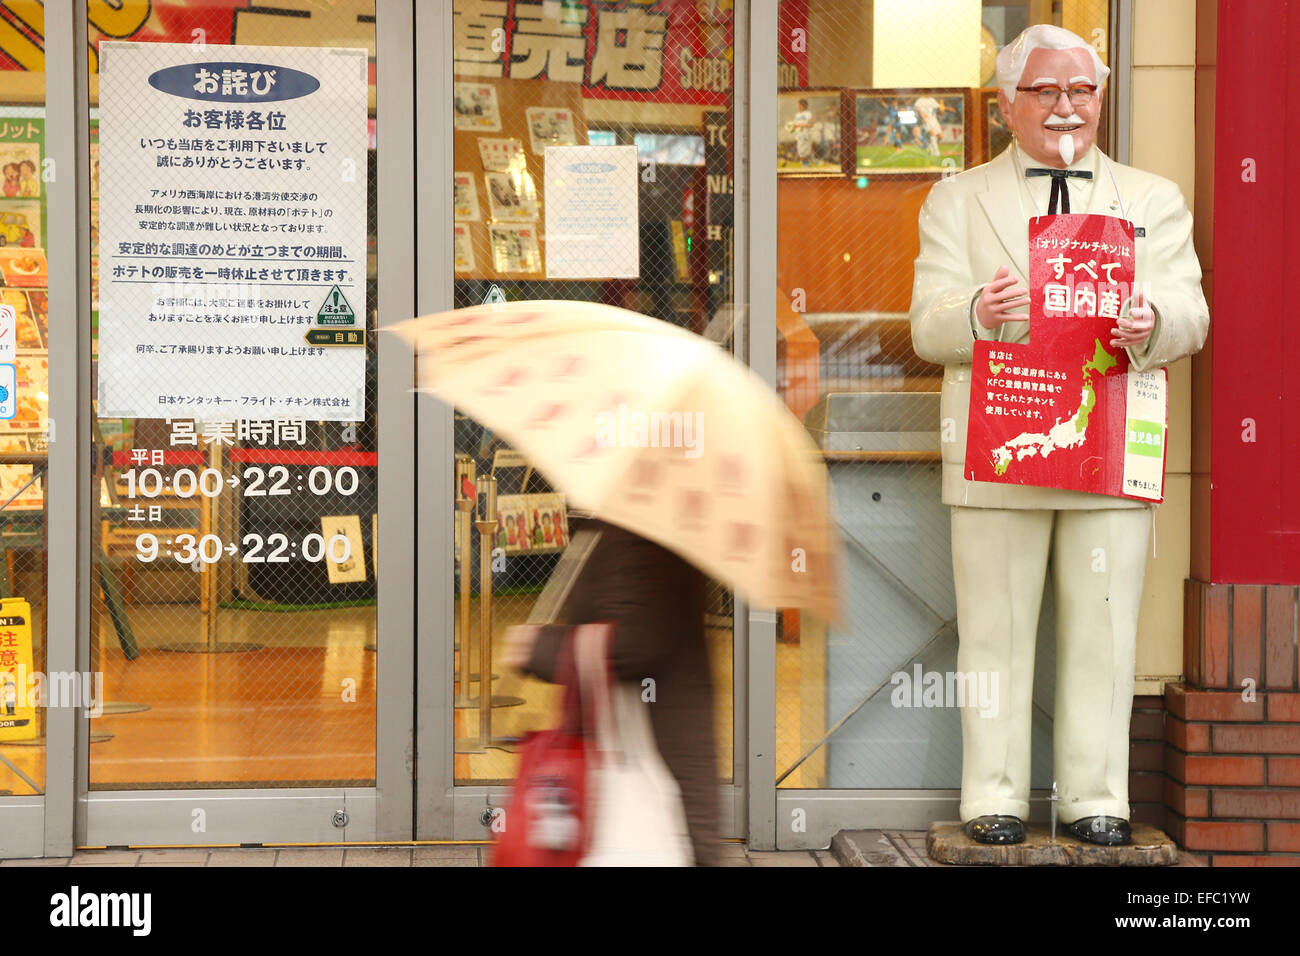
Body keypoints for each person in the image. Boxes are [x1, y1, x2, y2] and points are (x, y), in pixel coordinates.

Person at [908, 24, 1209, 847]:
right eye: (1046, 91)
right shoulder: (957, 199)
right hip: (1001, 448)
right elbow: (926, 324)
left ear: (1102, 97)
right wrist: (977, 311)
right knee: (995, 630)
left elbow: (1195, 312)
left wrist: (1154, 321)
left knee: (1104, 627)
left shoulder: (1152, 200)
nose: (1067, 106)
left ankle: (1095, 796)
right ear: (1007, 103)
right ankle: (994, 794)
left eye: (1083, 90)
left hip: (1108, 436)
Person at [502, 518, 719, 865]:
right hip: (644, 751)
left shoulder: (642, 528)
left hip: (656, 757)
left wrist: (536, 646)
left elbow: (637, 643)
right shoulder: (621, 524)